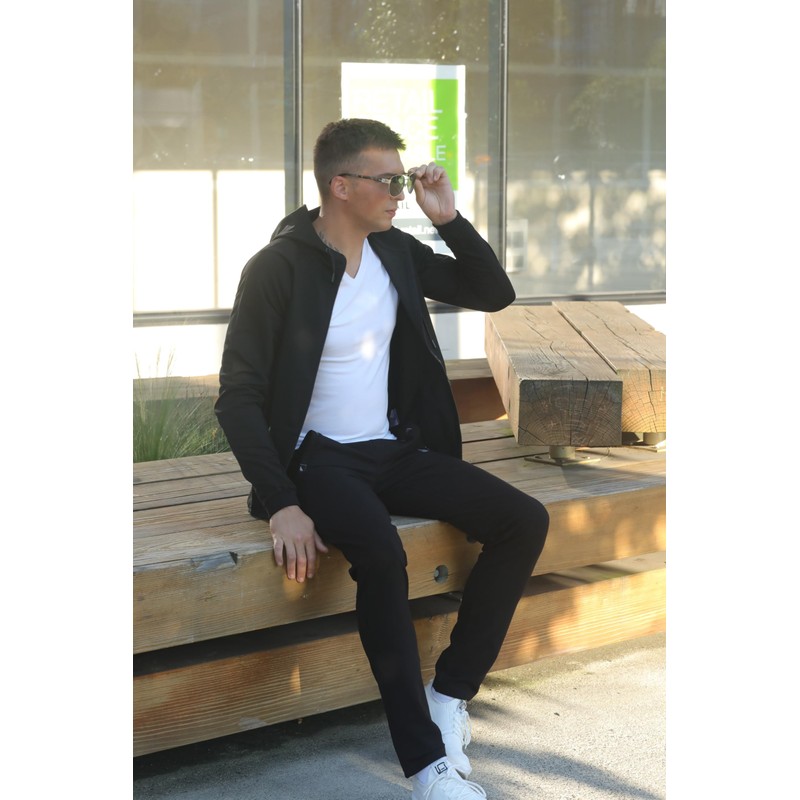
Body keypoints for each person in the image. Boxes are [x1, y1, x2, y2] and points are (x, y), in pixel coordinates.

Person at [215, 118, 549, 799]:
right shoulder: (277, 269)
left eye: (404, 179)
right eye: (389, 181)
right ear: (340, 186)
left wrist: (448, 218)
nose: (401, 192)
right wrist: (281, 503)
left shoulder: (393, 250)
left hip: (390, 449)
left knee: (524, 520)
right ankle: (426, 768)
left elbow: (493, 293)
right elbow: (237, 396)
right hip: (315, 461)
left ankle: (448, 695)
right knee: (381, 555)